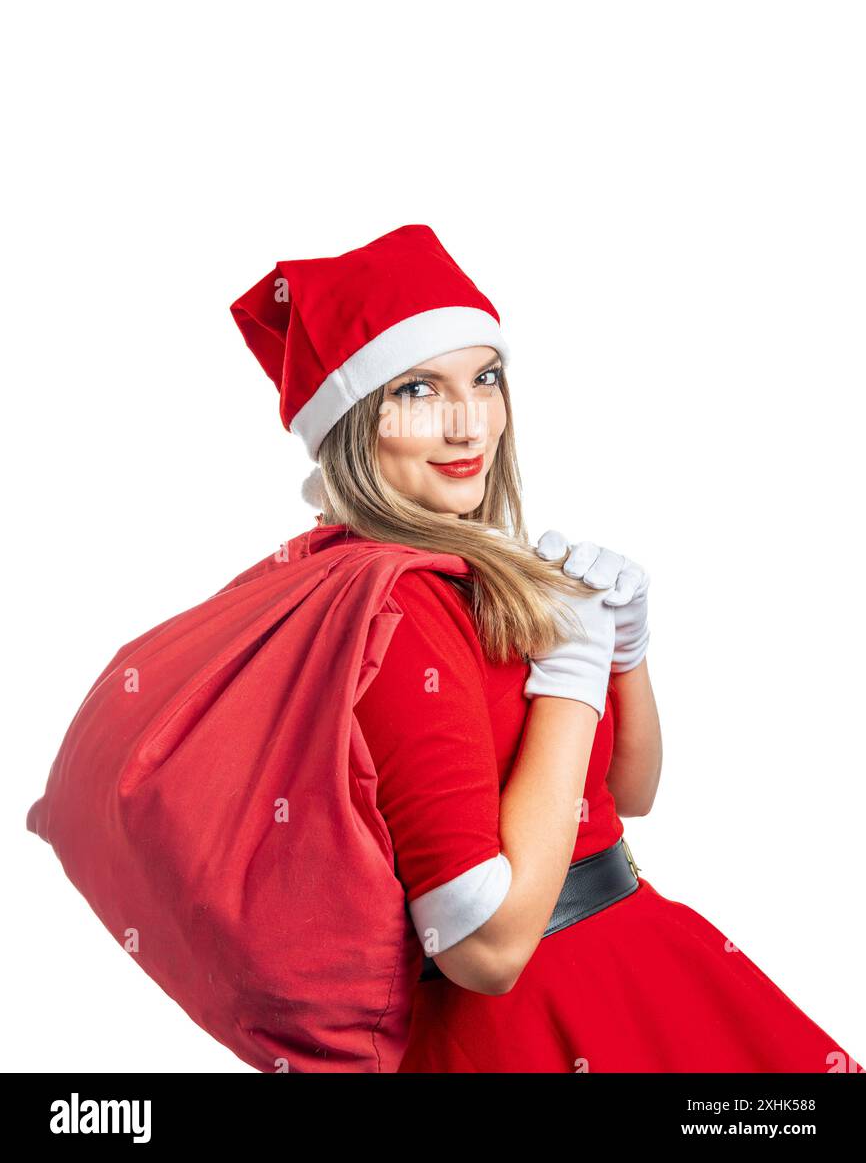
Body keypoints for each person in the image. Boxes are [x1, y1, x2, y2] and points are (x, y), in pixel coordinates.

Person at [231, 222, 862, 1074]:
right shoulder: (398, 602)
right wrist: (570, 675)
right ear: (351, 423)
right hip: (535, 1017)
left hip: (632, 964)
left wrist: (622, 656)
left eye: (484, 379)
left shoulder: (459, 567)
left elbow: (625, 797)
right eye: (417, 390)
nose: (469, 425)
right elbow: (484, 950)